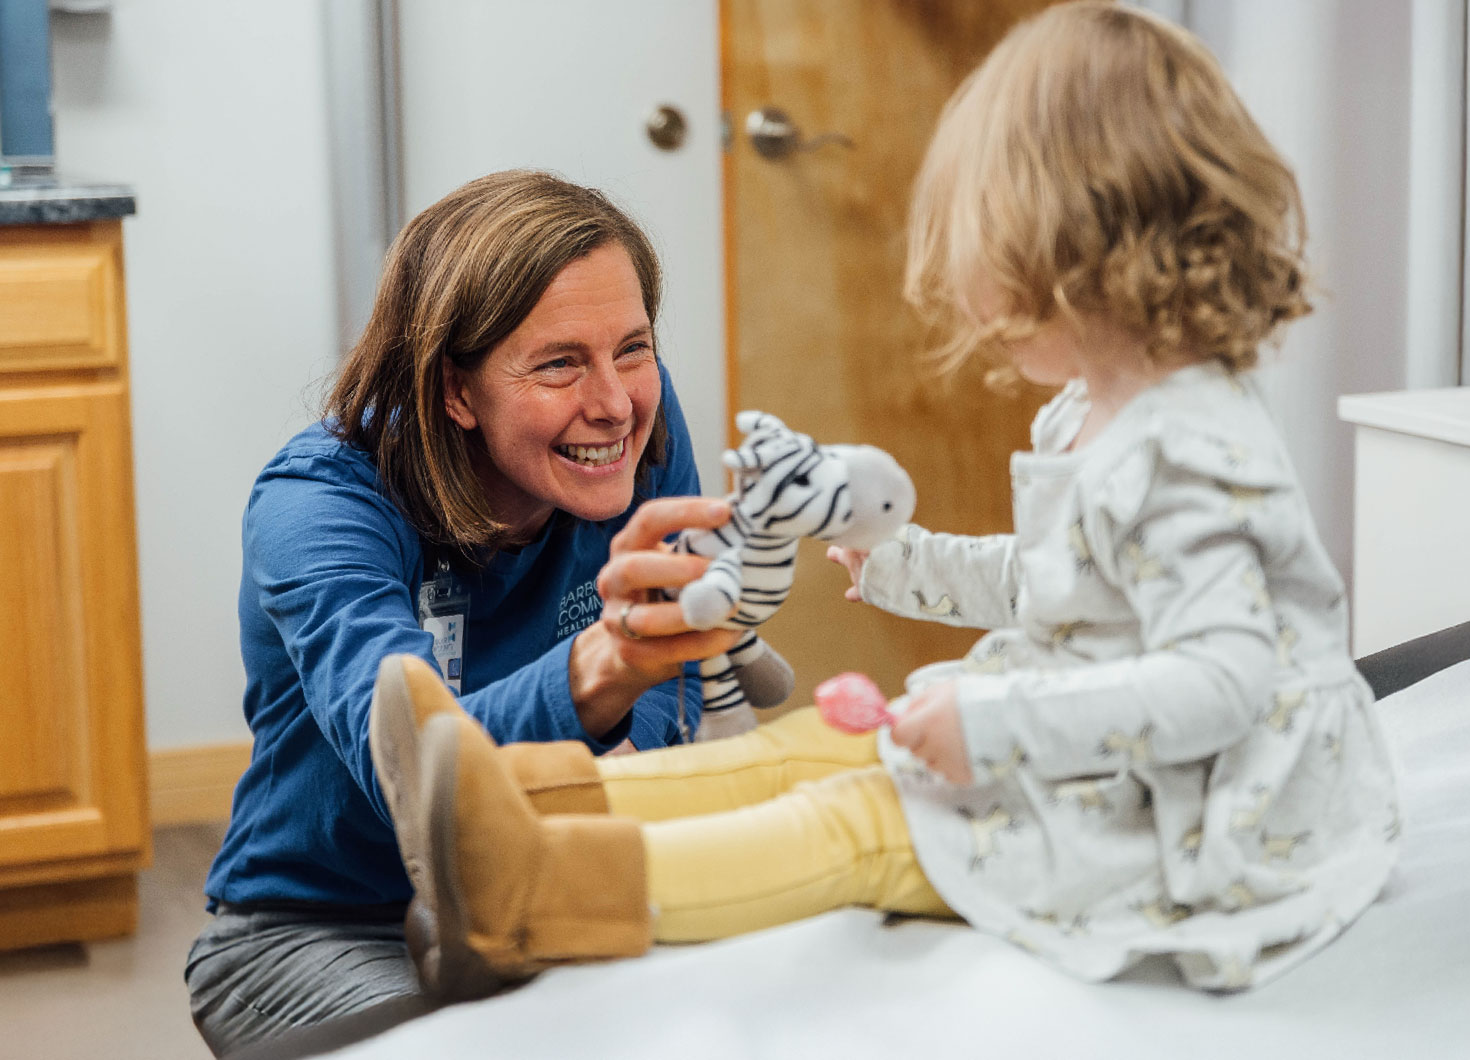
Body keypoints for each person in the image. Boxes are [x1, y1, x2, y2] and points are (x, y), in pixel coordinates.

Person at [368, 2, 1400, 1001]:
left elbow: (1220, 682)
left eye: (980, 248)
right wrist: (907, 560)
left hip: (1188, 812)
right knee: (812, 742)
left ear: (1072, 245)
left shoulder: (1197, 452)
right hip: (1094, 744)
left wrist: (996, 717)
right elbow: (1067, 584)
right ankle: (507, 806)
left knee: (857, 820)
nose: (970, 294)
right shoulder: (1104, 413)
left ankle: (532, 894)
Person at [184, 171, 744, 1056]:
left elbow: (668, 685)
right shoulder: (317, 507)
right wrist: (595, 669)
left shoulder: (636, 419)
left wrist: (638, 732)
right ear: (454, 390)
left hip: (549, 885)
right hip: (323, 926)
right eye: (560, 362)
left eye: (631, 348)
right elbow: (410, 770)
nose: (612, 402)